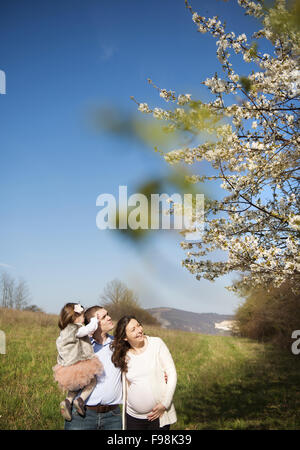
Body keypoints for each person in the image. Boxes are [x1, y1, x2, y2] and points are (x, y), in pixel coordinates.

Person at [111, 315, 177, 430]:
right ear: (125, 337)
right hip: (133, 418)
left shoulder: (156, 344)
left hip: (158, 415)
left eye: (139, 325)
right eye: (133, 329)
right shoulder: (123, 355)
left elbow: (171, 373)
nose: (139, 330)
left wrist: (165, 404)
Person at [63, 305, 123, 430]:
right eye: (104, 316)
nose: (109, 318)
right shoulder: (82, 345)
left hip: (113, 417)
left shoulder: (119, 345)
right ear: (93, 323)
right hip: (82, 415)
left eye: (108, 314)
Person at [53, 303, 103, 421]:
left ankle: (67, 401)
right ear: (75, 317)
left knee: (74, 387)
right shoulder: (76, 329)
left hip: (67, 365)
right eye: (82, 315)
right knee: (92, 381)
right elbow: (89, 329)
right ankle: (80, 400)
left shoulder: (64, 332)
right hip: (80, 362)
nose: (84, 318)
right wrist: (94, 320)